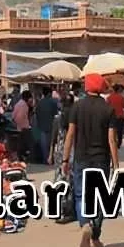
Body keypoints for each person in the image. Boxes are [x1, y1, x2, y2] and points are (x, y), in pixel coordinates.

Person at [61, 73, 118, 247]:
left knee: (80, 194)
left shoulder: (77, 107)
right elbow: (112, 140)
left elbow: (70, 134)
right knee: (101, 197)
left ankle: (85, 223)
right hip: (101, 159)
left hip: (81, 158)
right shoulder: (108, 109)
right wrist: (116, 164)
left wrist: (65, 159)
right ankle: (95, 235)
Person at [48, 92, 76, 224]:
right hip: (71, 154)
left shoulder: (57, 119)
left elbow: (53, 139)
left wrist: (50, 154)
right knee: (70, 183)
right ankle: (68, 211)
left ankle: (57, 209)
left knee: (58, 181)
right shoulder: (75, 118)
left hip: (60, 154)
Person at [35, 88, 59, 163]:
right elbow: (56, 114)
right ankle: (51, 159)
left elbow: (37, 115)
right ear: (49, 93)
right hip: (51, 126)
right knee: (52, 145)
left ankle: (45, 160)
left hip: (41, 127)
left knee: (44, 147)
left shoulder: (39, 103)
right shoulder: (53, 102)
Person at [12, 91, 34, 161]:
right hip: (24, 127)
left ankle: (20, 158)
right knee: (27, 144)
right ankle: (27, 158)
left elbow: (14, 116)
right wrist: (22, 126)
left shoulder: (19, 104)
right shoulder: (23, 105)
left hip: (20, 127)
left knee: (20, 144)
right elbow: (20, 117)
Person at [105, 84, 124, 148]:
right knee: (119, 131)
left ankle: (112, 143)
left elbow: (107, 107)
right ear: (119, 90)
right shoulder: (121, 97)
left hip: (112, 116)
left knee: (112, 130)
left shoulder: (109, 98)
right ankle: (119, 144)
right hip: (120, 116)